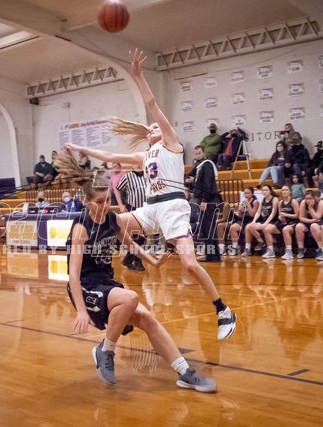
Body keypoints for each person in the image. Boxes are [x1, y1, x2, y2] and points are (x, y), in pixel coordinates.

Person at [65, 49, 236, 340]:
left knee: (190, 264)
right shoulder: (144, 157)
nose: (153, 128)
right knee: (111, 222)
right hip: (150, 209)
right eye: (151, 128)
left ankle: (223, 310)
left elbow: (152, 104)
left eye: (156, 126)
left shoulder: (172, 144)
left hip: (173, 207)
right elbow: (109, 156)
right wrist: (80, 149)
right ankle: (95, 272)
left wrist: (139, 76)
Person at [61, 155, 216, 392]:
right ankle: (106, 350)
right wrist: (81, 311)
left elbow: (131, 245)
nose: (106, 206)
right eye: (100, 202)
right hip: (84, 286)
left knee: (148, 319)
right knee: (130, 298)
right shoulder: (82, 226)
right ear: (87, 203)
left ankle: (185, 372)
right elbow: (73, 274)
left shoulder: (112, 219)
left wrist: (153, 261)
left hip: (105, 283)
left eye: (108, 199)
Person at [116, 166, 147, 271]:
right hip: (133, 208)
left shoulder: (148, 175)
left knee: (141, 237)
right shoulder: (128, 176)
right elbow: (117, 188)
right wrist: (120, 204)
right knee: (138, 236)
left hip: (146, 209)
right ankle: (137, 262)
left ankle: (129, 259)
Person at [193, 156, 223, 262]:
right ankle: (213, 255)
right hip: (206, 200)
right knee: (209, 229)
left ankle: (211, 256)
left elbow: (208, 184)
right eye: (195, 153)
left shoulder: (207, 164)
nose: (197, 155)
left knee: (208, 229)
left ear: (204, 154)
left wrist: (204, 199)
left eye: (199, 153)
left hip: (207, 201)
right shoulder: (201, 166)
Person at [219, 187, 259, 256]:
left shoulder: (255, 202)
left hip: (251, 220)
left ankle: (247, 249)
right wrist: (240, 210)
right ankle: (235, 248)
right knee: (233, 227)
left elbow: (252, 214)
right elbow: (240, 216)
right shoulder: (242, 202)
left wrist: (248, 205)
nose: (246, 195)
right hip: (242, 220)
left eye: (248, 193)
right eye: (245, 193)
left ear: (252, 194)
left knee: (247, 227)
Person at [242, 185, 279, 257]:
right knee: (249, 226)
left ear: (270, 191)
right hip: (265, 221)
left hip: (274, 221)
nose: (264, 192)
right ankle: (261, 242)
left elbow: (273, 212)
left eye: (266, 190)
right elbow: (258, 212)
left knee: (266, 228)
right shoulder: (263, 200)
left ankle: (271, 251)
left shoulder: (275, 199)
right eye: (263, 190)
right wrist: (254, 221)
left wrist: (266, 223)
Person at [294, 190, 323, 259]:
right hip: (311, 221)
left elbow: (317, 217)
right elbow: (301, 218)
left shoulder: (321, 202)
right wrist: (310, 221)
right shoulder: (303, 202)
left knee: (314, 226)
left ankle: (321, 249)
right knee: (299, 226)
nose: (308, 201)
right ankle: (301, 249)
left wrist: (310, 208)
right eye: (306, 198)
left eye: (310, 198)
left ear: (314, 198)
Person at [276, 185, 300, 260]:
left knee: (285, 230)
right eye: (283, 190)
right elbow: (280, 214)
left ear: (290, 192)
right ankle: (271, 250)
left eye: (286, 190)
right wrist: (280, 217)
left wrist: (286, 215)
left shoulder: (293, 201)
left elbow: (297, 215)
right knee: (268, 229)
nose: (284, 191)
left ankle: (289, 252)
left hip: (293, 222)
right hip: (284, 222)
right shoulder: (280, 203)